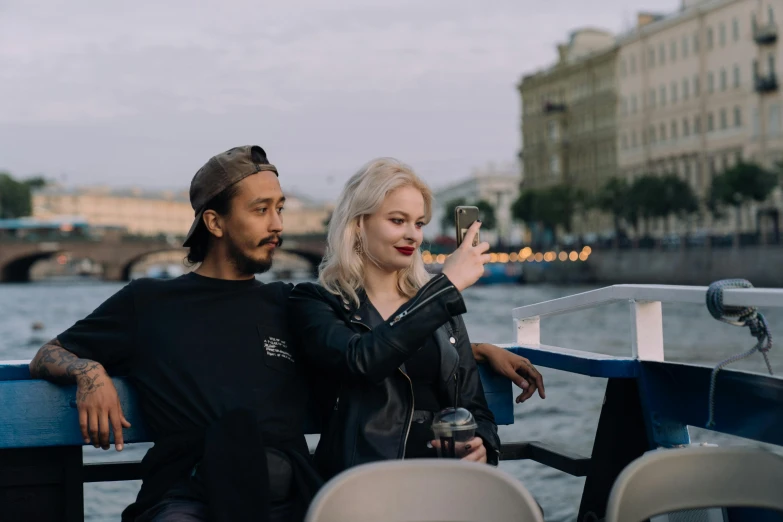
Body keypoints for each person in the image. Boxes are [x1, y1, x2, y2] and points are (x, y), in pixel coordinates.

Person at [28, 146, 543, 521]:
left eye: (280, 208)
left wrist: (472, 349)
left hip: (291, 489)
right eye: (260, 210)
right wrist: (89, 371)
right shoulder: (148, 301)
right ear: (214, 220)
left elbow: (359, 344)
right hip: (189, 493)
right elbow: (50, 352)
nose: (277, 223)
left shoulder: (289, 301)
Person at [288, 158, 544, 480]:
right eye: (397, 221)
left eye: (419, 224)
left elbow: (475, 407)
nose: (413, 236)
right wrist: (445, 288)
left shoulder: (436, 306)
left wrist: (483, 445)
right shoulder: (316, 300)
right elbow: (361, 360)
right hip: (365, 484)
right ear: (357, 224)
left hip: (446, 481)